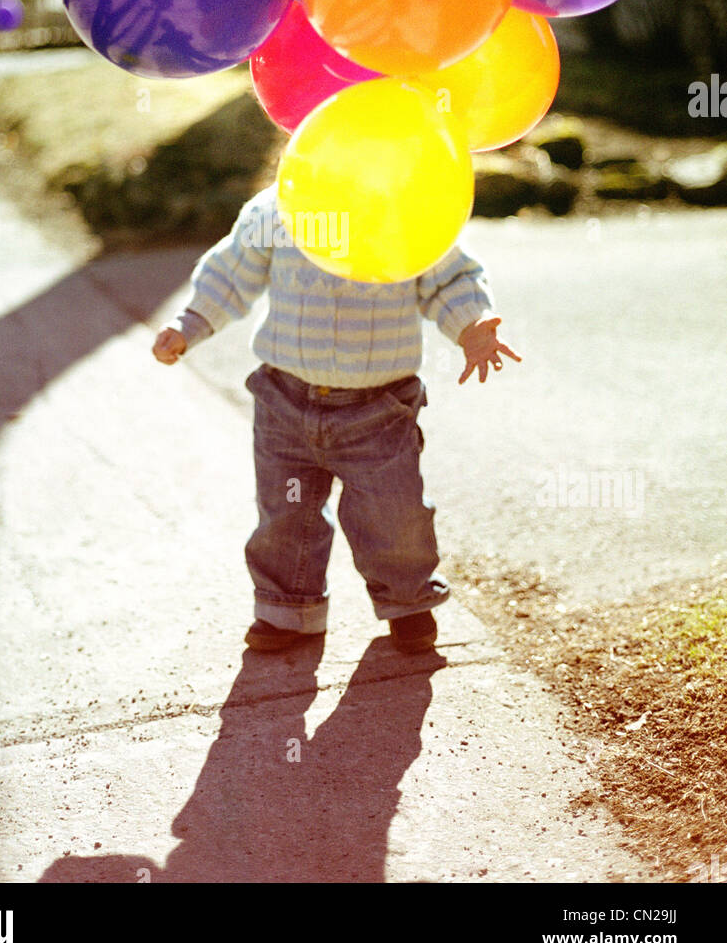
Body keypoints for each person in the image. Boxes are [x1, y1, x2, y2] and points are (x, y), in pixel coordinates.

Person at [153, 184, 520, 654]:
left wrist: (471, 326)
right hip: (284, 398)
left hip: (378, 407)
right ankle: (287, 608)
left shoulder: (407, 208)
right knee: (284, 513)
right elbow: (230, 274)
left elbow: (449, 280)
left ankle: (408, 601)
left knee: (392, 515)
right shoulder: (278, 210)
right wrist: (190, 324)